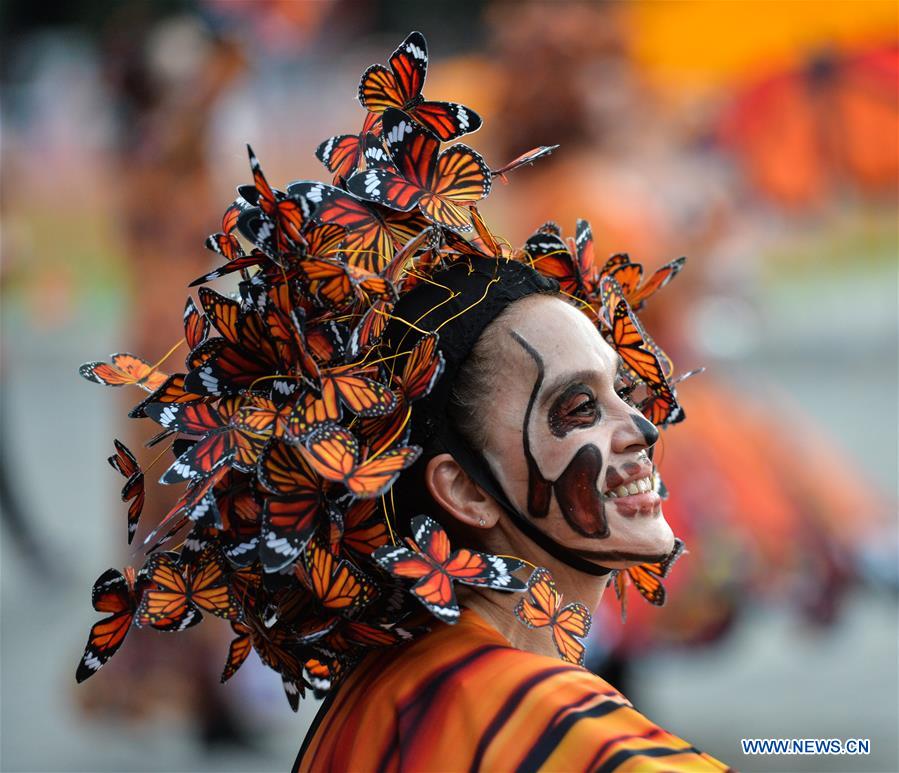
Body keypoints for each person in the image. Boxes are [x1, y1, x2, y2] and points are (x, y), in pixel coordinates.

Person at [75, 30, 733, 772]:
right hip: (168, 347)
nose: (643, 424)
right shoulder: (563, 735)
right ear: (458, 488)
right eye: (577, 407)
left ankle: (199, 698)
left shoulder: (377, 694)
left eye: (622, 388)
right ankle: (198, 699)